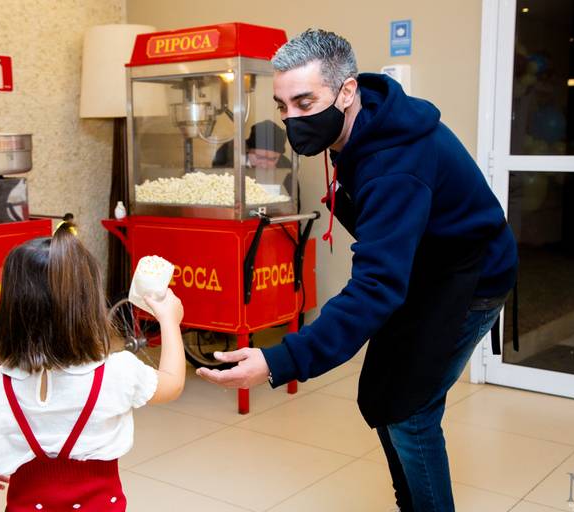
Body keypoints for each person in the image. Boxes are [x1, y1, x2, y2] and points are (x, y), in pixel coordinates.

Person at [197, 29, 518, 512]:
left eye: (305, 102)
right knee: (383, 393)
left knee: (410, 410)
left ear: (347, 91)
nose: (291, 119)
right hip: (420, 266)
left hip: (469, 276)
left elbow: (376, 285)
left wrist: (281, 360)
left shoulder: (395, 164)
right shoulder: (360, 123)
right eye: (282, 106)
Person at [0, 222, 185, 511]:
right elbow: (172, 383)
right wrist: (168, 321)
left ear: (11, 310)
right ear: (88, 305)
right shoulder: (118, 372)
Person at [211, 119, 292, 169]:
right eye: (259, 157)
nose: (264, 165)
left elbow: (292, 195)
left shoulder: (285, 166)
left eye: (272, 159)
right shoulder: (226, 155)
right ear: (248, 149)